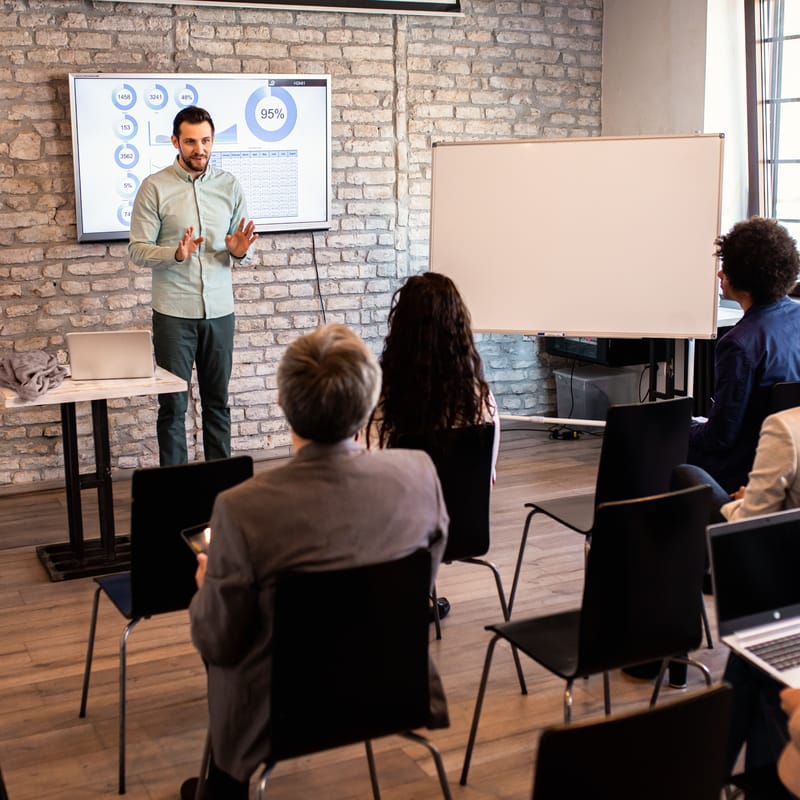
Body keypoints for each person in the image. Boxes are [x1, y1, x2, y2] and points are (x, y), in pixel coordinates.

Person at [181, 323, 450, 799]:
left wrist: (210, 586)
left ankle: (222, 787)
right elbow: (420, 581)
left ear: (283, 405)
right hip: (393, 689)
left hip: (281, 715)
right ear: (369, 401)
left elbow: (216, 640)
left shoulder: (242, 509)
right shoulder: (419, 474)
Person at [128, 105, 258, 466]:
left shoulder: (229, 185)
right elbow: (137, 250)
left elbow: (238, 245)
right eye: (190, 141)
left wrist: (239, 251)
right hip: (174, 315)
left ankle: (220, 489)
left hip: (220, 313)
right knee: (173, 406)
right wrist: (176, 253)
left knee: (218, 403)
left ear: (213, 141)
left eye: (205, 141)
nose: (199, 148)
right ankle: (177, 494)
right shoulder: (154, 187)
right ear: (175, 142)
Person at [366, 271, 499, 620]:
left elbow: (366, 479)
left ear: (401, 330)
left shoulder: (380, 404)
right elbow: (488, 477)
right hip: (460, 531)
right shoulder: (482, 401)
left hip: (397, 537)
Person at [688, 216, 800, 494]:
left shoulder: (739, 344)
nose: (719, 274)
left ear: (745, 280)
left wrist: (685, 426)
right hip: (792, 457)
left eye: (725, 268)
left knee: (664, 446)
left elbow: (719, 438)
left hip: (750, 466)